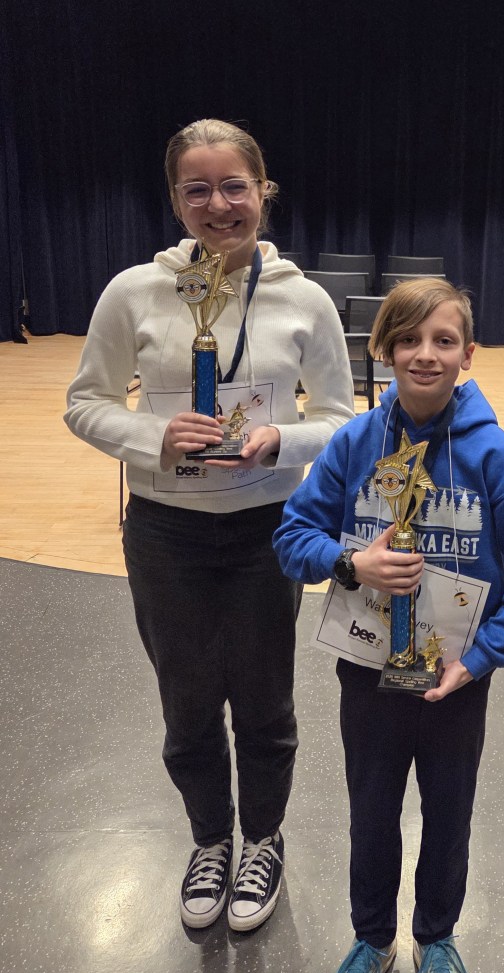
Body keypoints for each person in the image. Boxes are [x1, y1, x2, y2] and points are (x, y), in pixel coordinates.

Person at [65, 119, 355, 932]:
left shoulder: (304, 300)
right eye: (198, 188)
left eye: (235, 186)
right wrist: (151, 435)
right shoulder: (132, 291)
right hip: (166, 532)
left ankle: (262, 838)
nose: (219, 204)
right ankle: (209, 842)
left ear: (263, 191)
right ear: (175, 199)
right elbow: (84, 403)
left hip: (270, 529)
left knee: (264, 704)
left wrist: (281, 437)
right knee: (187, 704)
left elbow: (342, 419)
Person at [273, 278, 504, 973]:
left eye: (441, 341)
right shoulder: (353, 444)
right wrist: (350, 564)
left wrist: (484, 654)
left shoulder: (493, 454)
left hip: (454, 680)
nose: (424, 355)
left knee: (448, 814)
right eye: (408, 339)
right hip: (366, 671)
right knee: (369, 814)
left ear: (467, 354)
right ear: (385, 349)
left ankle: (437, 938)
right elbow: (292, 536)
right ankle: (371, 940)